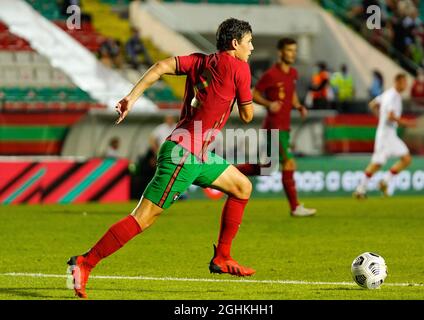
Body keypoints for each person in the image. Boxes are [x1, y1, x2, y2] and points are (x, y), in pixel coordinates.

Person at [67, 18, 256, 299]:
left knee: (242, 187)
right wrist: (245, 95)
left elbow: (160, 67)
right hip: (185, 154)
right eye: (249, 42)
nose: (251, 48)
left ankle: (222, 257)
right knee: (144, 217)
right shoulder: (240, 68)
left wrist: (131, 97)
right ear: (235, 43)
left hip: (193, 151)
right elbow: (248, 115)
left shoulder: (199, 61)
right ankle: (85, 262)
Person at [236, 38, 316, 217]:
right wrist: (268, 104)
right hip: (274, 126)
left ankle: (231, 171)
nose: (293, 54)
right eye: (289, 50)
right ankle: (295, 207)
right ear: (280, 52)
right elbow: (253, 93)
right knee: (289, 162)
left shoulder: (293, 73)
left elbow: (291, 92)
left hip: (284, 127)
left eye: (295, 50)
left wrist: (298, 106)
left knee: (269, 167)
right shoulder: (271, 74)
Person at [353, 73, 416, 199]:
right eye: (404, 82)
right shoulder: (393, 96)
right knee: (377, 163)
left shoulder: (387, 94)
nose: (406, 85)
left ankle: (384, 181)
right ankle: (360, 190)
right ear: (397, 82)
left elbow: (372, 104)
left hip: (390, 133)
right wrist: (406, 123)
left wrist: (379, 117)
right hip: (385, 135)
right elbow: (390, 116)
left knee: (406, 159)